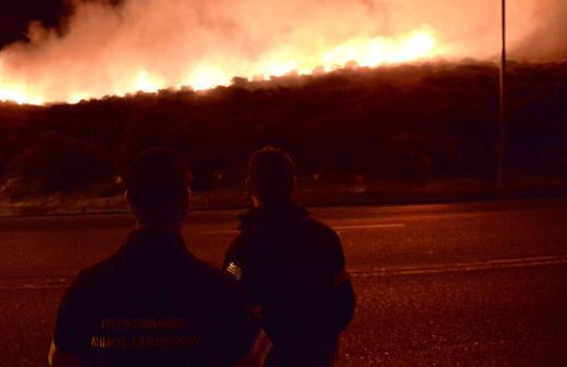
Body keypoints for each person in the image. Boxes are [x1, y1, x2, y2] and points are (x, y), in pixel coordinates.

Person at [49, 147, 262, 366]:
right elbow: (248, 361)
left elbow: (60, 360)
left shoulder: (87, 287)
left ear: (129, 198)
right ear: (186, 200)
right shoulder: (219, 290)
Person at [223, 147, 356, 366]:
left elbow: (232, 300)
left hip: (270, 358)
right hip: (314, 355)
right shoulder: (325, 239)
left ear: (249, 186)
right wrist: (323, 338)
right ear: (294, 184)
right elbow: (343, 301)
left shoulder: (242, 249)